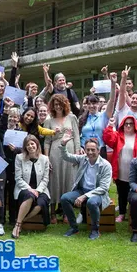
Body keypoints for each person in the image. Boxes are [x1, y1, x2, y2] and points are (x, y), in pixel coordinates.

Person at [58, 134, 113, 240]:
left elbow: (104, 188)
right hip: (82, 190)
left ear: (98, 150)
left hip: (97, 193)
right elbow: (66, 156)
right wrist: (63, 144)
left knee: (91, 202)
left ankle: (95, 230)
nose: (90, 153)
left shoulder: (106, 165)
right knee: (65, 198)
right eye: (87, 150)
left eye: (93, 150)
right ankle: (73, 228)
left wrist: (84, 196)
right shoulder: (83, 159)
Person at [44, 93, 80, 221]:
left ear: (64, 104)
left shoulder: (72, 117)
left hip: (69, 152)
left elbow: (76, 137)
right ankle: (52, 212)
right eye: (55, 104)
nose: (58, 106)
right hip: (55, 152)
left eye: (60, 104)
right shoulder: (48, 120)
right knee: (54, 180)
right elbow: (47, 141)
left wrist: (76, 155)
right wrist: (47, 158)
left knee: (68, 180)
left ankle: (66, 212)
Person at [103, 116, 137, 223]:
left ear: (135, 125)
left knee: (135, 193)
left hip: (135, 172)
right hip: (121, 170)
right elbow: (107, 139)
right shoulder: (117, 136)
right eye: (126, 124)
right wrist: (110, 126)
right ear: (122, 125)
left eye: (131, 123)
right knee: (121, 193)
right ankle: (122, 213)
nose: (128, 125)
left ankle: (133, 212)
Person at [12, 135, 50, 239]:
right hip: (24, 189)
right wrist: (30, 189)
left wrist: (38, 190)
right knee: (29, 196)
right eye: (27, 145)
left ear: (37, 145)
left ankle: (22, 220)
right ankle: (17, 225)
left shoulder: (45, 159)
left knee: (41, 203)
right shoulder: (19, 158)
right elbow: (18, 178)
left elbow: (45, 179)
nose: (30, 146)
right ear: (25, 147)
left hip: (41, 189)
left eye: (32, 144)